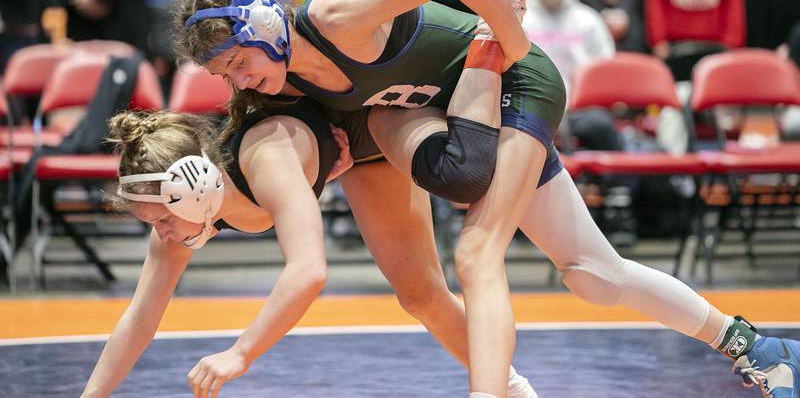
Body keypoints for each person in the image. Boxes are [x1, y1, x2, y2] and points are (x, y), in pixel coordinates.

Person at [179, 0, 800, 398]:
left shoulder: (337, 15)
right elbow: (297, 161)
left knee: (476, 250)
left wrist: (511, 38)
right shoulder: (287, 86)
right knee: (594, 275)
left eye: (238, 61)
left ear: (264, 24)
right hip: (453, 109)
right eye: (224, 74)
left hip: (517, 80)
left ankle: (490, 395)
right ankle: (764, 350)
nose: (237, 80)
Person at [80, 103, 540, 396]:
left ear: (196, 188)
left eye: (161, 218)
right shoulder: (188, 214)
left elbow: (309, 272)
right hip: (335, 141)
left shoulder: (264, 159)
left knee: (423, 292)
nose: (160, 233)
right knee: (419, 296)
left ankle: (512, 389)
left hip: (373, 126)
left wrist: (240, 353)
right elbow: (140, 318)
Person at [522, 0, 619, 151]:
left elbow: (606, 69)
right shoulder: (520, 18)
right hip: (529, 107)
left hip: (581, 110)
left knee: (598, 125)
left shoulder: (588, 19)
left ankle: (617, 182)